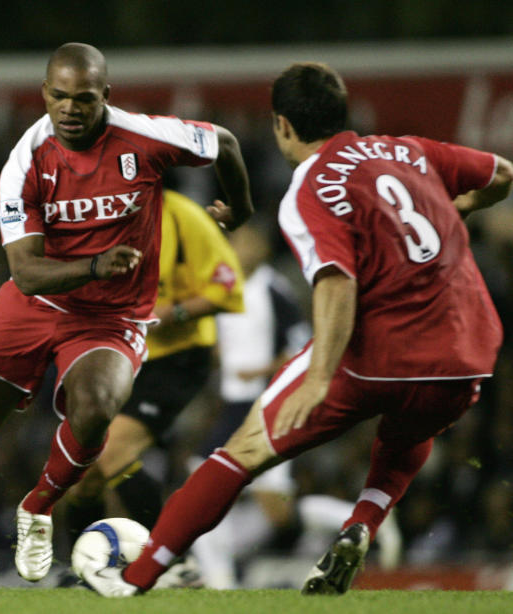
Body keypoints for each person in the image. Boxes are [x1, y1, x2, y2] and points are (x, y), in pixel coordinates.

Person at [81, 61, 511, 597]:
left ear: (282, 126)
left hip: (378, 352)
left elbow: (335, 283)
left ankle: (134, 579)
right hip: (469, 352)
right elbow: (501, 174)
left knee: (238, 456)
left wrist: (319, 378)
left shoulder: (310, 187)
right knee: (409, 428)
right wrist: (457, 205)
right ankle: (362, 524)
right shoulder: (408, 150)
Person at [0, 42, 253, 586]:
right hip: (33, 303)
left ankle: (39, 508)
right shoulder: (27, 160)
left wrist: (240, 206)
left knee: (98, 407)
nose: (71, 109)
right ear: (44, 94)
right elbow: (26, 272)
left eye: (84, 99)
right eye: (60, 97)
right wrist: (96, 265)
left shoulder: (144, 138)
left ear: (105, 96)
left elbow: (226, 143)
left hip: (113, 318)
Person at [191, 223, 399, 589]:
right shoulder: (224, 287)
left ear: (263, 249)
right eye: (236, 241)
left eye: (248, 240)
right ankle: (359, 523)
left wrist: (261, 369)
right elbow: (223, 340)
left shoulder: (273, 289)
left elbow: (302, 344)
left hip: (263, 401)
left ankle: (219, 580)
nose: (240, 247)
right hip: (234, 403)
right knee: (270, 508)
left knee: (206, 482)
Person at [61, 188, 244, 578]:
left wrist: (172, 312)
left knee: (113, 450)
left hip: (178, 356)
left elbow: (228, 289)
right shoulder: (97, 219)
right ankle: (80, 575)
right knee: (83, 476)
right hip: (123, 356)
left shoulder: (184, 217)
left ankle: (175, 562)